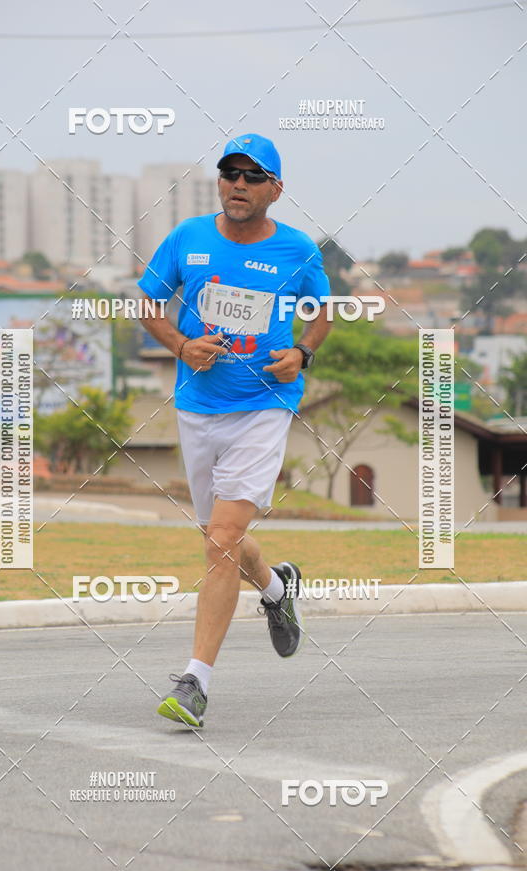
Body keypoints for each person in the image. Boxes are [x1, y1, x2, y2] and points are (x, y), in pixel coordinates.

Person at [137, 133, 331, 727]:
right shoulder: (187, 239)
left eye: (252, 176)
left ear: (275, 189)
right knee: (217, 535)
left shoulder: (298, 249)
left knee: (220, 539)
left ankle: (195, 682)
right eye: (230, 173)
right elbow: (148, 304)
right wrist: (180, 343)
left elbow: (321, 312)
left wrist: (302, 353)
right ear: (219, 181)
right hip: (198, 407)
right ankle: (276, 589)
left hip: (263, 406)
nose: (238, 185)